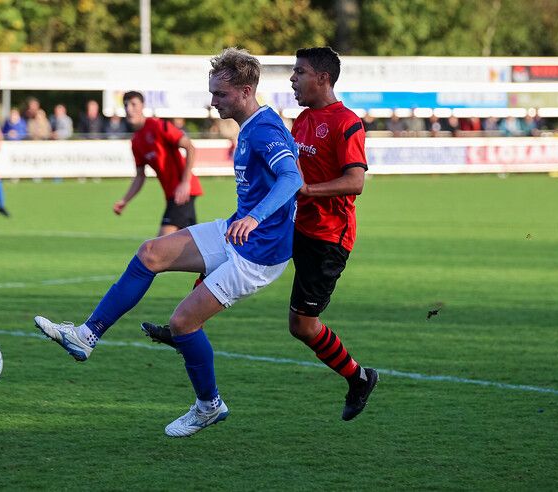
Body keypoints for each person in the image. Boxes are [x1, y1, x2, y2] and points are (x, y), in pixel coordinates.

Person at [34, 47, 303, 437]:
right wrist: (244, 218)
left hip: (260, 254)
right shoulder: (249, 126)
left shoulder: (265, 129)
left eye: (220, 95)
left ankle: (209, 406)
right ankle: (86, 336)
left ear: (246, 91)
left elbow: (292, 179)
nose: (212, 103)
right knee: (150, 252)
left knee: (182, 322)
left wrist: (254, 217)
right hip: (235, 232)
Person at [143, 47, 378, 422]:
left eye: (299, 72)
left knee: (302, 326)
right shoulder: (299, 122)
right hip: (289, 226)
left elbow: (356, 181)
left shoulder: (346, 122)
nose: (292, 79)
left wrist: (305, 191)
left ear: (323, 78)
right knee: (229, 248)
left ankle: (359, 377)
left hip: (327, 237)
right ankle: (185, 325)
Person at [114, 90, 203, 237]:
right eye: (126, 105)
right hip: (172, 195)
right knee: (190, 247)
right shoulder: (136, 141)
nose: (129, 109)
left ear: (142, 106)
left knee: (158, 248)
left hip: (182, 192)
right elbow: (140, 176)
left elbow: (190, 147)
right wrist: (125, 200)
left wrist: (185, 182)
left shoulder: (158, 126)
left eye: (133, 104)